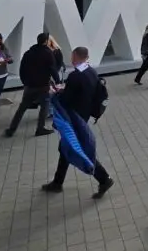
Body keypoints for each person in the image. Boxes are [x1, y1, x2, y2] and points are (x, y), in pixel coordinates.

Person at [41, 47, 115, 198]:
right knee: (66, 147)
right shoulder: (91, 71)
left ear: (75, 57)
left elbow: (67, 100)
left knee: (78, 148)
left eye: (72, 56)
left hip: (74, 119)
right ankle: (58, 182)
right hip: (84, 116)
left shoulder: (75, 76)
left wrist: (56, 93)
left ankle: (104, 178)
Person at [4, 32, 60, 138]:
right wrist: (58, 82)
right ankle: (40, 128)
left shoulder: (28, 53)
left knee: (22, 108)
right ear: (46, 41)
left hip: (30, 85)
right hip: (43, 85)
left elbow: (22, 69)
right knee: (44, 107)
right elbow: (52, 69)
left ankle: (12, 129)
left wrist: (25, 81)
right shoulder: (48, 53)